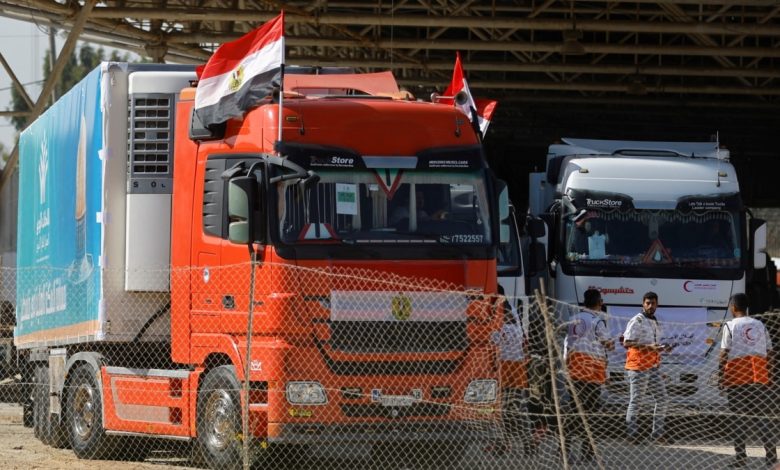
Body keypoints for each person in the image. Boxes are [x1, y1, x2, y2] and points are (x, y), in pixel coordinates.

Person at [719, 292, 777, 468]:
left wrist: (720, 376)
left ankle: (741, 458)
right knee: (762, 419)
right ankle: (771, 457)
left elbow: (723, 355)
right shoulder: (760, 325)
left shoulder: (729, 326)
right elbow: (770, 352)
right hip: (759, 377)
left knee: (738, 420)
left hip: (736, 378)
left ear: (733, 307)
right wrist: (771, 375)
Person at [563, 288, 615, 462]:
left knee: (574, 411)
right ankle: (587, 453)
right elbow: (608, 345)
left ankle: (565, 449)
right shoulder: (597, 322)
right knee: (590, 414)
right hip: (591, 372)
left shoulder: (572, 319)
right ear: (599, 303)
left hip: (574, 370)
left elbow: (567, 345)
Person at [486, 286, 534, 456]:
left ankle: (507, 444)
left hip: (504, 368)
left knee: (503, 410)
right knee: (515, 409)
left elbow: (491, 342)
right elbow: (524, 345)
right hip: (517, 367)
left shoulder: (497, 316)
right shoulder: (513, 315)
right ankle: (524, 443)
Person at [623, 291, 671, 444]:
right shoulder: (637, 320)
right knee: (636, 401)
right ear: (643, 304)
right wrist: (650, 347)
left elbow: (653, 345)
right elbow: (626, 342)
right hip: (638, 366)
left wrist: (663, 348)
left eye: (653, 303)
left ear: (657, 304)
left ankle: (657, 435)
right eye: (648, 303)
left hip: (653, 366)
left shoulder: (654, 320)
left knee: (662, 399)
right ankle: (632, 436)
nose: (650, 306)